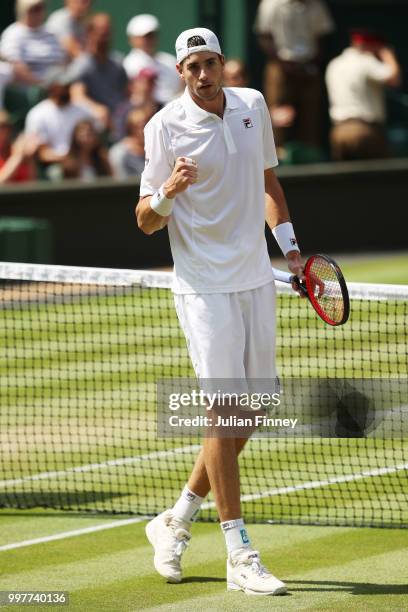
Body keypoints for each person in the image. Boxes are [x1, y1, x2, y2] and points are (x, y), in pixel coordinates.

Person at [136, 27, 303, 596]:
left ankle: (176, 519)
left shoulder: (253, 104)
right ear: (181, 73)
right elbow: (145, 220)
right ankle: (239, 551)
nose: (204, 74)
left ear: (224, 64)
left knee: (249, 414)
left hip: (255, 277)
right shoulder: (162, 127)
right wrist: (168, 191)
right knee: (223, 410)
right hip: (203, 286)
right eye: (192, 67)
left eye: (211, 63)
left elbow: (266, 181)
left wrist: (292, 251)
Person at [254, 0, 334, 148]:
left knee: (311, 115)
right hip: (280, 65)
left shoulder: (316, 5)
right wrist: (283, 64)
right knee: (278, 114)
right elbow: (265, 36)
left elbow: (322, 36)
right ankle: (277, 154)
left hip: (309, 66)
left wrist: (312, 64)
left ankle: (309, 153)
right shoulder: (271, 4)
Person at [325, 30, 401, 161]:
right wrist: (388, 55)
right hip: (364, 131)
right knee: (380, 179)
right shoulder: (366, 61)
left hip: (338, 131)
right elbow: (394, 79)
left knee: (343, 180)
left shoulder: (334, 63)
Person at [69, 13, 128, 130]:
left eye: (107, 32)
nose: (104, 36)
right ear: (89, 33)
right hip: (95, 124)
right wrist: (97, 109)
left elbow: (127, 92)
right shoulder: (82, 65)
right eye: (100, 31)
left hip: (119, 120)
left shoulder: (118, 62)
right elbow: (77, 96)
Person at [25, 71, 92, 166]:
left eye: (68, 85)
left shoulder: (83, 110)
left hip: (84, 159)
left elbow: (93, 141)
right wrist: (66, 159)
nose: (67, 89)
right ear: (52, 88)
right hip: (55, 165)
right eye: (63, 87)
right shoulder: (37, 114)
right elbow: (42, 152)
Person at [0, 0, 66, 85]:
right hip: (27, 85)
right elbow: (15, 66)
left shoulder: (51, 32)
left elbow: (61, 60)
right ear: (23, 11)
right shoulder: (13, 33)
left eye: (40, 9)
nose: (37, 13)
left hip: (56, 82)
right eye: (33, 9)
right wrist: (38, 84)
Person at [123, 14, 182, 105]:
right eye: (144, 36)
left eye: (152, 35)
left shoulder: (169, 60)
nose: (148, 40)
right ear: (132, 39)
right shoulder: (128, 64)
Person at [112, 66, 161, 141]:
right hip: (132, 147)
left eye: (152, 82)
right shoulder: (123, 108)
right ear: (135, 84)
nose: (148, 86)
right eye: (145, 82)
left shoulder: (160, 107)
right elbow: (119, 134)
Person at [109, 108, 150, 179]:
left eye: (147, 125)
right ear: (130, 128)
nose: (144, 130)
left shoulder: (155, 148)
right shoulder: (120, 152)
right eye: (139, 126)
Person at [0, 110, 39, 182]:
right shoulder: (18, 153)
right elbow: (1, 182)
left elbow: (32, 183)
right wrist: (18, 157)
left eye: (6, 127)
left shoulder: (15, 149)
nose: (4, 132)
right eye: (1, 127)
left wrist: (29, 158)